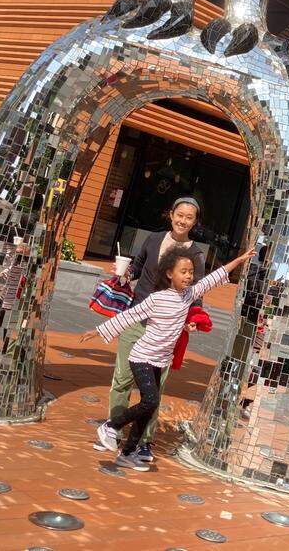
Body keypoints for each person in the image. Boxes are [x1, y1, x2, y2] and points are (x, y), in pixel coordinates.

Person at [82, 249, 252, 470]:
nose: (189, 276)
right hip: (142, 356)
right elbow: (129, 316)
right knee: (150, 401)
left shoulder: (190, 294)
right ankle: (111, 426)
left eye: (191, 272)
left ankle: (127, 454)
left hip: (160, 360)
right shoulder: (156, 298)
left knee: (149, 407)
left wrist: (238, 260)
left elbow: (213, 278)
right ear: (170, 274)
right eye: (183, 271)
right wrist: (98, 330)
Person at [105, 197, 206, 463]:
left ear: (195, 222)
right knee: (122, 379)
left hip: (166, 328)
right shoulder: (153, 239)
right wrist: (123, 273)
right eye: (180, 215)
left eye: (189, 217)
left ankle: (144, 441)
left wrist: (193, 318)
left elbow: (197, 293)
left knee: (154, 390)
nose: (183, 220)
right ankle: (112, 429)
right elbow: (136, 269)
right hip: (137, 318)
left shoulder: (195, 254)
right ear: (171, 214)